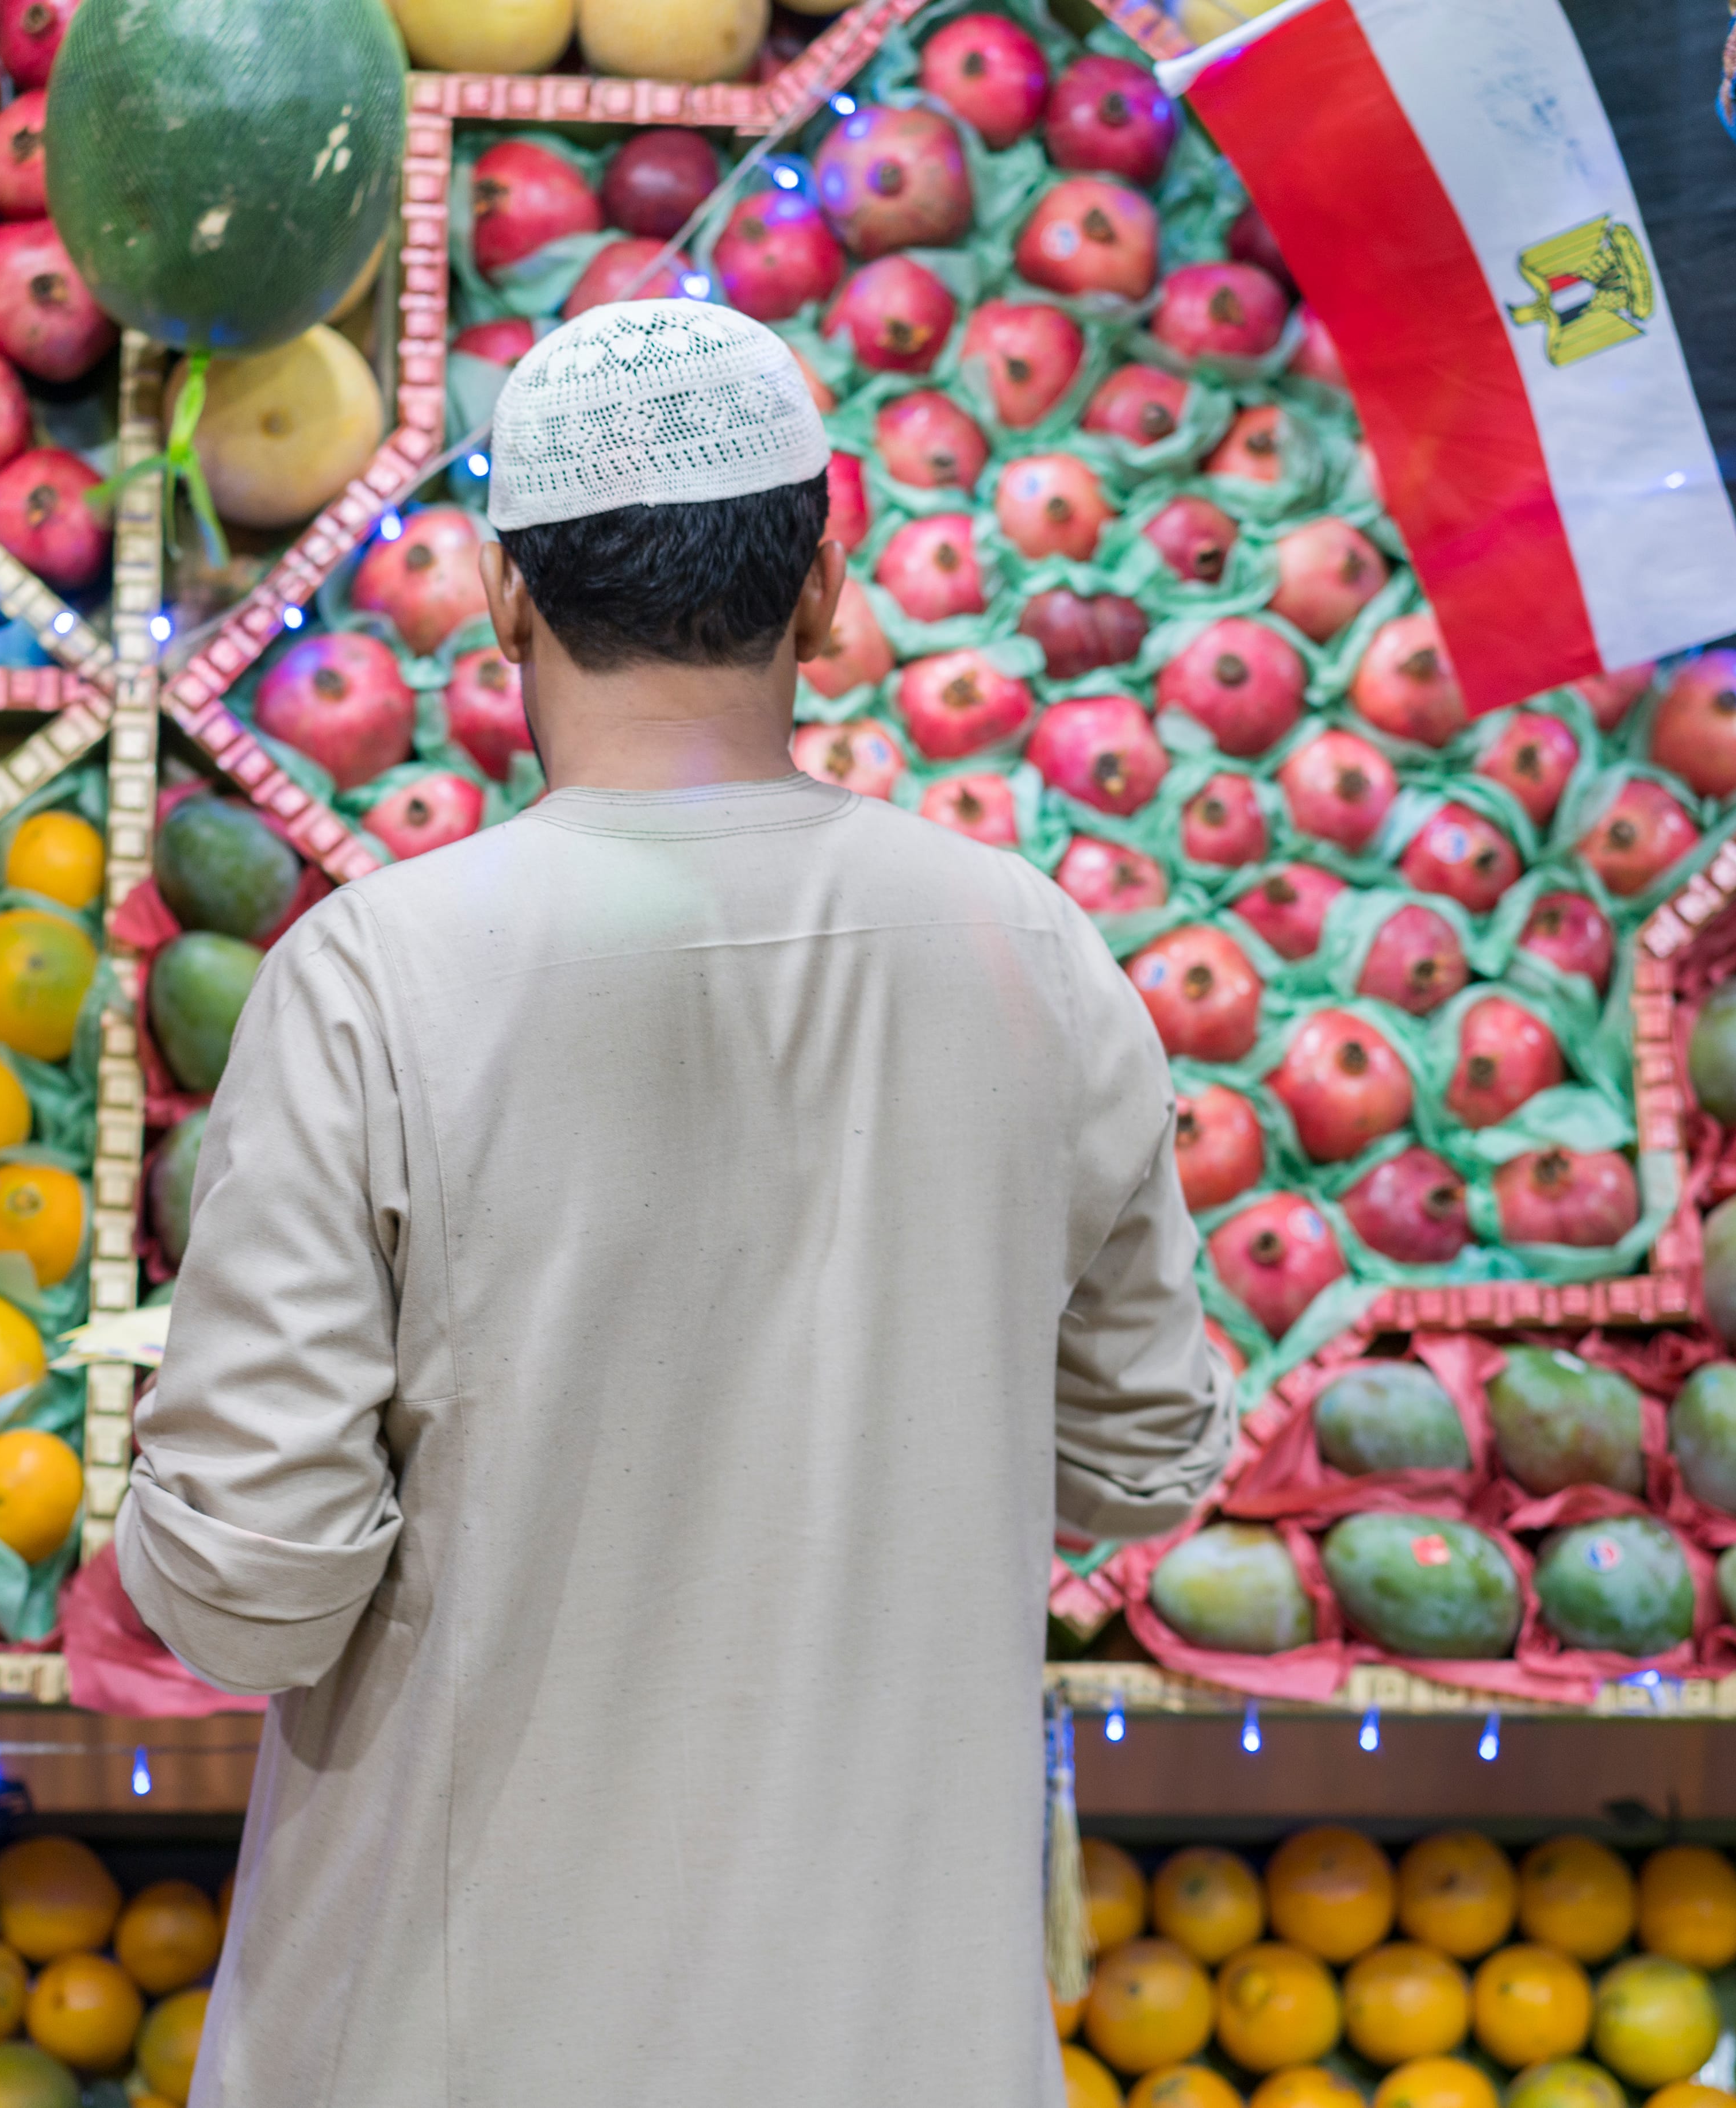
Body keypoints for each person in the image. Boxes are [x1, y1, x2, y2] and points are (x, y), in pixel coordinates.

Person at [120, 297, 1234, 2107]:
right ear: (818, 595)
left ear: (503, 605)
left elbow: (248, 1592)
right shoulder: (1030, 949)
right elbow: (1139, 1461)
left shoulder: (373, 977)